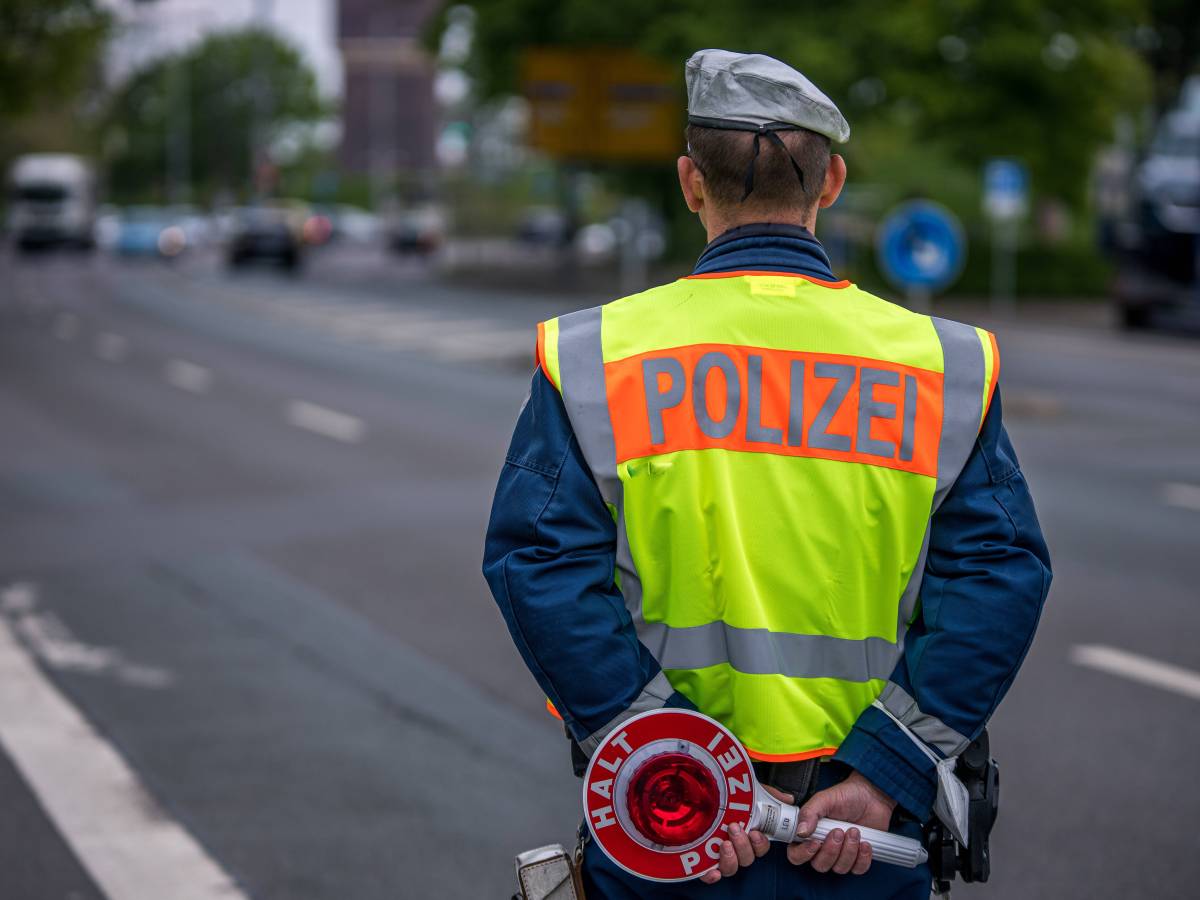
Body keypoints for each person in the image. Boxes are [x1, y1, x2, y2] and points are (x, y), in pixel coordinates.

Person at [483, 48, 1051, 899]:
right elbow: (998, 574)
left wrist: (680, 772)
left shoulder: (600, 355)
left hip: (671, 830)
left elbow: (540, 565)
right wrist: (888, 774)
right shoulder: (941, 365)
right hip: (861, 838)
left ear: (689, 181)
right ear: (832, 184)